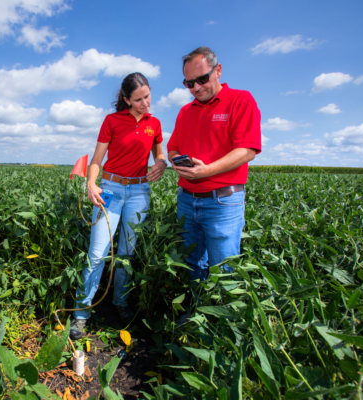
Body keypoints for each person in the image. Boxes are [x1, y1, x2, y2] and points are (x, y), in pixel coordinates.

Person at [71, 72, 168, 340]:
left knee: (128, 252)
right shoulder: (112, 121)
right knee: (97, 253)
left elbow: (159, 153)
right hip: (111, 189)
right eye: (138, 100)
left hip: (139, 191)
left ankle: (121, 304)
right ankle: (81, 313)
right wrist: (91, 184)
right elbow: (96, 159)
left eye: (147, 97)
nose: (145, 103)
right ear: (126, 100)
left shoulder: (155, 123)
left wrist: (161, 162)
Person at [167, 47, 261, 320]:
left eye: (202, 79)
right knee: (191, 263)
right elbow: (173, 148)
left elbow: (247, 149)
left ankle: (223, 326)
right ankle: (195, 316)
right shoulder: (186, 111)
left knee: (224, 267)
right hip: (187, 198)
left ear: (218, 70)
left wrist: (207, 170)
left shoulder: (240, 101)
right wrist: (177, 162)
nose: (196, 87)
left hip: (223, 201)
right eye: (189, 83)